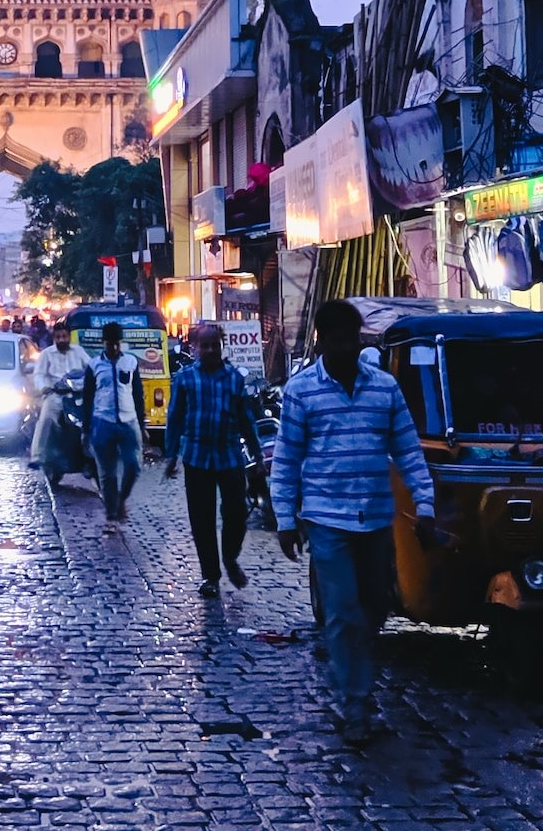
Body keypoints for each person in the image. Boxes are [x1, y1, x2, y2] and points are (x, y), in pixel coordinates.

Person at [272, 298, 437, 743]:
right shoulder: (302, 391)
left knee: (375, 606)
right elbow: (287, 460)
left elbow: (407, 451)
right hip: (327, 520)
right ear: (322, 341)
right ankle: (355, 704)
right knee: (343, 613)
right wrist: (285, 519)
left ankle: (355, 676)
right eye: (337, 340)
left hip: (377, 518)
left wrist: (425, 505)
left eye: (352, 339)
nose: (345, 347)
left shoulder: (384, 388)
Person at [164, 322, 262, 598]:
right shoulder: (184, 379)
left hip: (229, 456)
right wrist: (171, 455)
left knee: (237, 514)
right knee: (202, 519)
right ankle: (211, 576)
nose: (209, 350)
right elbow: (175, 418)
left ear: (221, 346)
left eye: (214, 345)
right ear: (194, 348)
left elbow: (246, 420)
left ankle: (230, 557)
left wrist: (256, 454)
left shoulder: (234, 378)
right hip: (196, 458)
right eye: (204, 345)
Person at [80, 321, 147, 528]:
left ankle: (121, 499)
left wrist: (143, 424)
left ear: (121, 343)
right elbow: (88, 397)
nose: (114, 348)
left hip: (129, 422)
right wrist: (86, 428)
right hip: (102, 421)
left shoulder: (131, 363)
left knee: (133, 465)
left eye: (117, 343)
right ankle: (111, 513)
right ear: (104, 343)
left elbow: (137, 393)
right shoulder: (93, 365)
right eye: (110, 344)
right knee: (107, 473)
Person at [29, 321, 93, 468]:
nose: (61, 340)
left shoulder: (79, 352)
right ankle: (37, 456)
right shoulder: (46, 354)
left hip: (78, 395)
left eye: (64, 336)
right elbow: (39, 374)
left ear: (69, 337)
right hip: (55, 395)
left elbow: (90, 369)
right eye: (58, 337)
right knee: (46, 419)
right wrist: (44, 387)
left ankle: (92, 453)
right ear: (54, 338)